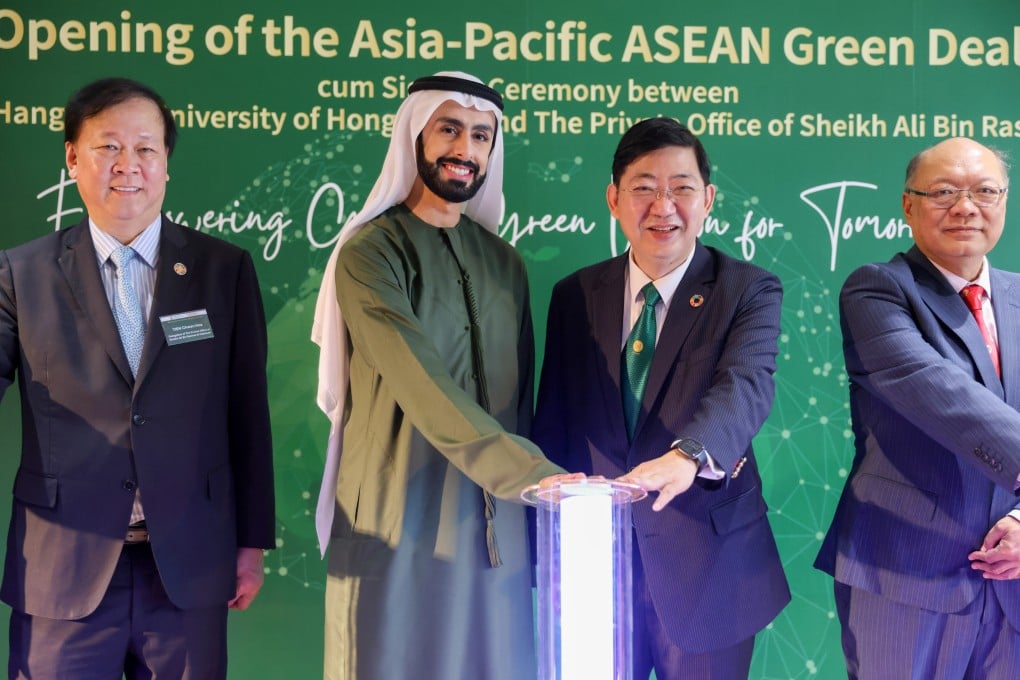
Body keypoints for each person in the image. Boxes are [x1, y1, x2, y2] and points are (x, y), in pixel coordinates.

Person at [0, 77, 276, 678]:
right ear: (73, 158)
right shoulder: (22, 273)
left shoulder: (221, 270)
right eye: (108, 147)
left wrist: (250, 544)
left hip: (187, 566)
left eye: (147, 149)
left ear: (167, 164)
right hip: (62, 568)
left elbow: (247, 414)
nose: (129, 165)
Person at [311, 71, 573, 680]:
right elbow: (419, 381)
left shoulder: (505, 263)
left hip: (495, 531)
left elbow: (518, 402)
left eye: (482, 136)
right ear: (414, 137)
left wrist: (528, 500)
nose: (465, 149)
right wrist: (534, 477)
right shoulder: (370, 252)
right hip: (397, 514)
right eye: (449, 130)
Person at [531, 117, 790, 679]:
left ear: (708, 199)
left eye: (681, 188)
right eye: (644, 188)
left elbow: (746, 385)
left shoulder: (748, 289)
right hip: (594, 564)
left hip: (708, 566)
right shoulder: (574, 294)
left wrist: (688, 454)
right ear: (614, 198)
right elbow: (553, 418)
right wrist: (543, 551)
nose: (662, 206)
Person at [815, 137, 1020, 677]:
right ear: (908, 204)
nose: (965, 206)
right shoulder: (878, 291)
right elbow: (943, 395)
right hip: (905, 574)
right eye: (944, 191)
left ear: (1005, 200)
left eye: (984, 191)